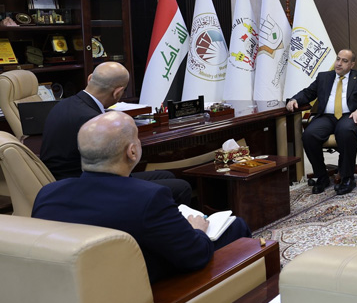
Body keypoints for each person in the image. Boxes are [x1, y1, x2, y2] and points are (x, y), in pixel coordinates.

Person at [33, 111, 251, 283]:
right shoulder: (148, 198)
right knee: (236, 226)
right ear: (132, 152)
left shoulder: (48, 194)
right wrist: (197, 230)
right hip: (138, 291)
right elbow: (195, 256)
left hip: (76, 289)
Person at [39, 62, 192, 205]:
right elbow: (113, 167)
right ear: (117, 92)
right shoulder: (94, 121)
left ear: (90, 79)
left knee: (166, 176)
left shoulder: (63, 104)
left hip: (63, 182)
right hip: (86, 189)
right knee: (181, 187)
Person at [286, 49, 357, 196]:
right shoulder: (324, 77)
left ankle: (347, 179)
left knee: (345, 132)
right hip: (327, 117)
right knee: (309, 135)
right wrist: (294, 99)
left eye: (344, 61)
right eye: (338, 59)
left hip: (349, 115)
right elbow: (308, 93)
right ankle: (322, 177)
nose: (339, 63)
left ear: (352, 64)